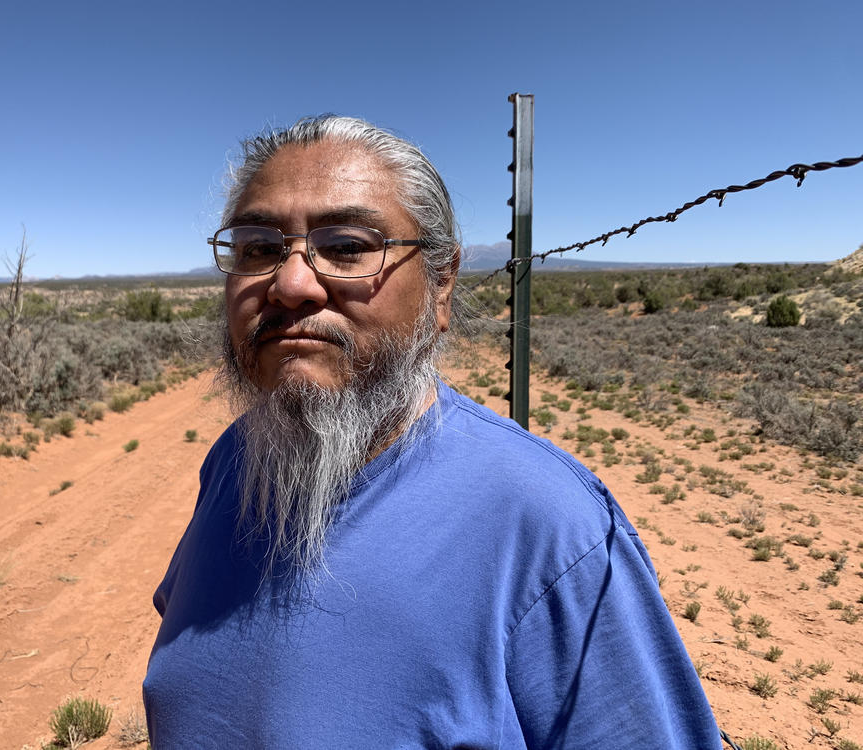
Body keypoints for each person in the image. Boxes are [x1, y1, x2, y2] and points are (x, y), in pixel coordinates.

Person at [143, 115, 723, 749]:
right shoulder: (236, 458)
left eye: (346, 246)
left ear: (440, 287)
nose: (291, 283)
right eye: (258, 247)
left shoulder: (548, 527)